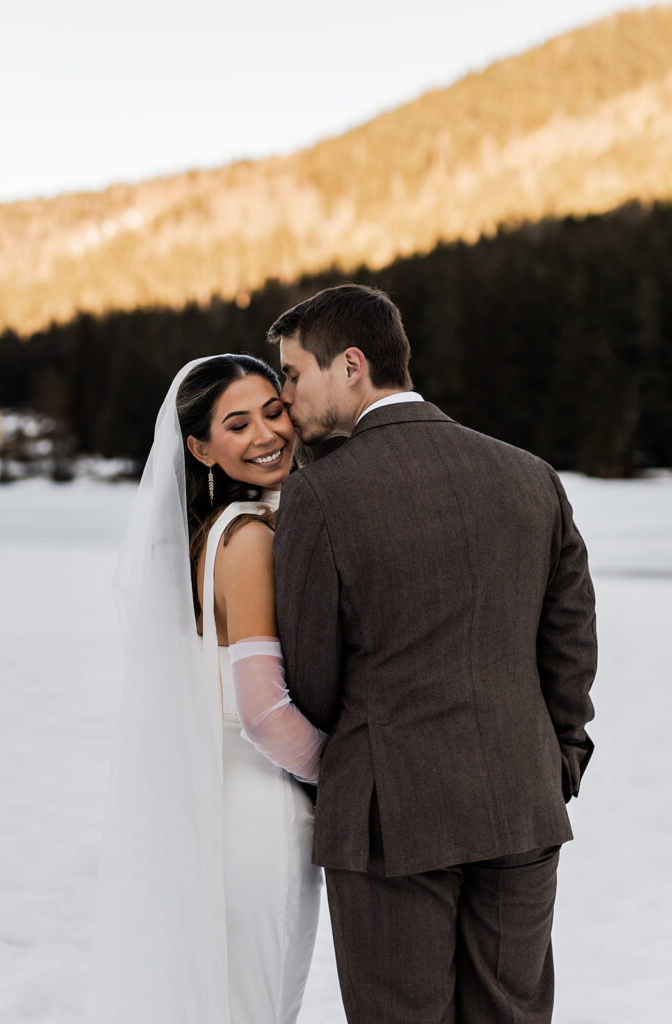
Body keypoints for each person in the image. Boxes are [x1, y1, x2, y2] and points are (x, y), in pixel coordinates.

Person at [267, 284, 597, 1024]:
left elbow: (311, 681)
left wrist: (353, 779)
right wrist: (557, 763)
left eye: (292, 374)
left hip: (390, 820)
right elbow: (569, 639)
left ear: (350, 365)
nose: (285, 399)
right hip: (521, 805)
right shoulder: (530, 476)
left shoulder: (319, 496)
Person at [87, 354, 324, 1024]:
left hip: (222, 804)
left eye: (272, 412)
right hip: (262, 812)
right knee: (260, 1004)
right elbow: (263, 712)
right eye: (237, 424)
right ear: (200, 448)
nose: (265, 435)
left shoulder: (215, 533)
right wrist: (350, 776)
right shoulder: (247, 541)